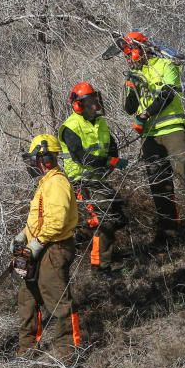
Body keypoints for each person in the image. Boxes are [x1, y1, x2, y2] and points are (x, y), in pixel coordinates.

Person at [120, 31, 185, 245]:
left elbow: (168, 94)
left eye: (129, 52)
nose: (128, 58)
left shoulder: (166, 66)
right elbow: (129, 108)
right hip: (150, 137)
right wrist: (131, 86)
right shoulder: (135, 75)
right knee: (158, 183)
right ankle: (169, 234)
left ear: (140, 49)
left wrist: (146, 114)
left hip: (172, 130)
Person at [12, 134, 80, 359]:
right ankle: (26, 349)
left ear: (46, 158)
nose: (33, 164)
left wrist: (37, 244)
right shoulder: (46, 183)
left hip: (54, 248)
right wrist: (23, 236)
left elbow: (57, 221)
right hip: (39, 246)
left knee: (58, 299)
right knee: (27, 298)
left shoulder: (57, 183)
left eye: (35, 159)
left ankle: (68, 353)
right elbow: (40, 218)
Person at [58, 82, 128, 278]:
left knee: (120, 216)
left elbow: (111, 145)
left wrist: (114, 160)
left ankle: (81, 236)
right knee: (104, 219)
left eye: (95, 99)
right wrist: (108, 161)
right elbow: (83, 158)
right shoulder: (70, 127)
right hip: (81, 181)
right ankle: (100, 267)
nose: (95, 104)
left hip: (98, 179)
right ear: (78, 104)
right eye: (90, 101)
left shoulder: (100, 123)